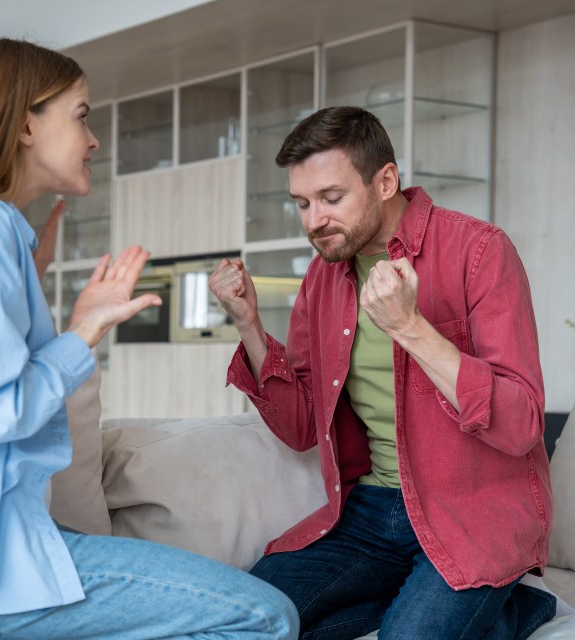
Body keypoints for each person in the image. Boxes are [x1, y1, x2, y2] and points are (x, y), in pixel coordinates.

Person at [0, 38, 298, 640]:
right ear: (26, 124)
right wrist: (82, 331)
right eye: (81, 115)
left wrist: (29, 285)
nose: (93, 138)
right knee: (262, 615)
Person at [209, 106, 556, 640]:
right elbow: (303, 429)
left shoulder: (479, 250)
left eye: (331, 198)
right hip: (371, 510)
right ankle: (467, 611)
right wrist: (250, 326)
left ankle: (506, 608)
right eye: (301, 203)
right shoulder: (322, 279)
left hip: (470, 511)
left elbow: (521, 423)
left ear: (386, 180)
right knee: (249, 617)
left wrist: (410, 327)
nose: (313, 221)